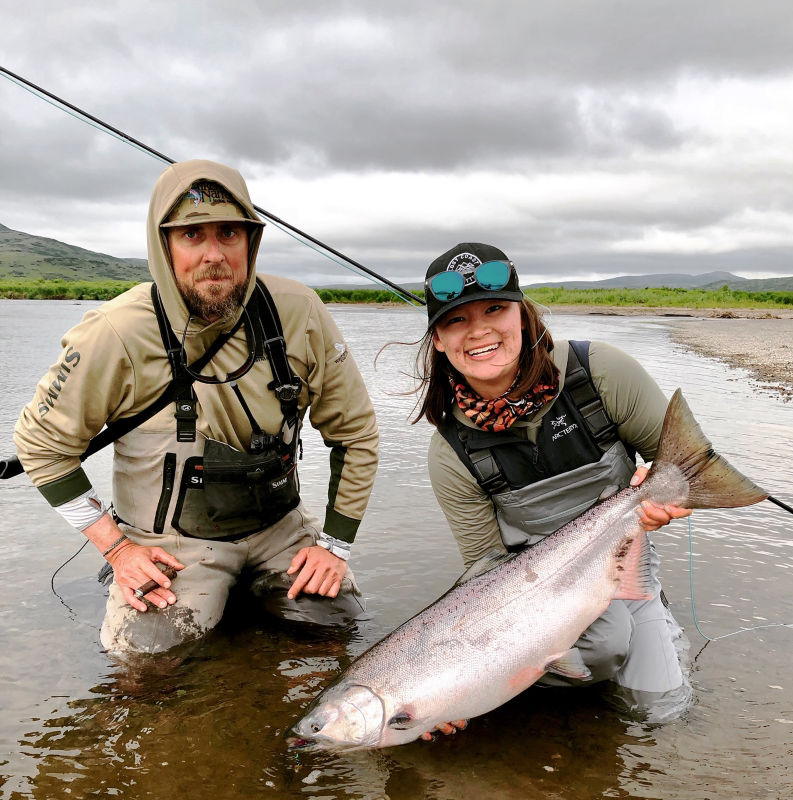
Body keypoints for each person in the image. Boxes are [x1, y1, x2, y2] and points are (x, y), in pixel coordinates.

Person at [14, 159, 379, 655]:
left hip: (282, 532)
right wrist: (118, 549)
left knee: (334, 630)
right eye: (192, 236)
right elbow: (41, 447)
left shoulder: (300, 312)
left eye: (229, 233)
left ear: (251, 241)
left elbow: (355, 436)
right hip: (170, 548)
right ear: (163, 246)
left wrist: (334, 546)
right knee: (148, 660)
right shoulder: (112, 332)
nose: (214, 254)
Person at [414, 242, 692, 729]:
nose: (478, 330)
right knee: (600, 652)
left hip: (630, 578)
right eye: (456, 320)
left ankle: (650, 612)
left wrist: (668, 487)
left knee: (659, 714)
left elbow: (686, 467)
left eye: (495, 309)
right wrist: (442, 686)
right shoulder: (450, 453)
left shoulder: (601, 373)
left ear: (523, 315)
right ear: (438, 340)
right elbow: (486, 574)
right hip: (532, 599)